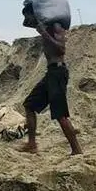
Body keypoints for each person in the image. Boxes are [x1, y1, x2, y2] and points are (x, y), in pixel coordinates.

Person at [20, 18, 82, 155]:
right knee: (29, 105)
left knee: (60, 114)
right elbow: (26, 22)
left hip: (58, 72)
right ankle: (32, 144)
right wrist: (38, 24)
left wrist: (44, 33)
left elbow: (61, 49)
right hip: (51, 73)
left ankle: (76, 150)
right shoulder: (47, 26)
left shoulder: (57, 27)